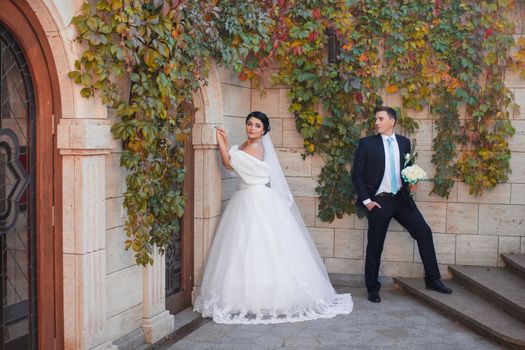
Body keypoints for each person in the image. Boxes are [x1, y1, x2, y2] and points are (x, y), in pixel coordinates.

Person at [194, 111, 353, 324]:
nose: (252, 128)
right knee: (248, 248)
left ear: (264, 130)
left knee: (258, 247)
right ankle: (248, 294)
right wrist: (229, 144)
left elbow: (229, 164)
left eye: (257, 125)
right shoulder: (246, 144)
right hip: (248, 197)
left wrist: (222, 142)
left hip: (254, 198)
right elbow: (236, 160)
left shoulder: (256, 146)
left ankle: (265, 296)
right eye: (249, 123)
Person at [351, 106, 452, 303]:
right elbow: (357, 175)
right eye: (376, 119)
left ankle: (432, 279)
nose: (377, 122)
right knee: (375, 244)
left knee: (424, 232)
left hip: (402, 200)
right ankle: (372, 288)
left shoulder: (404, 143)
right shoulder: (367, 144)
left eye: (380, 119)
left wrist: (410, 185)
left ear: (392, 121)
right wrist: (367, 201)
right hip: (379, 201)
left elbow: (405, 170)